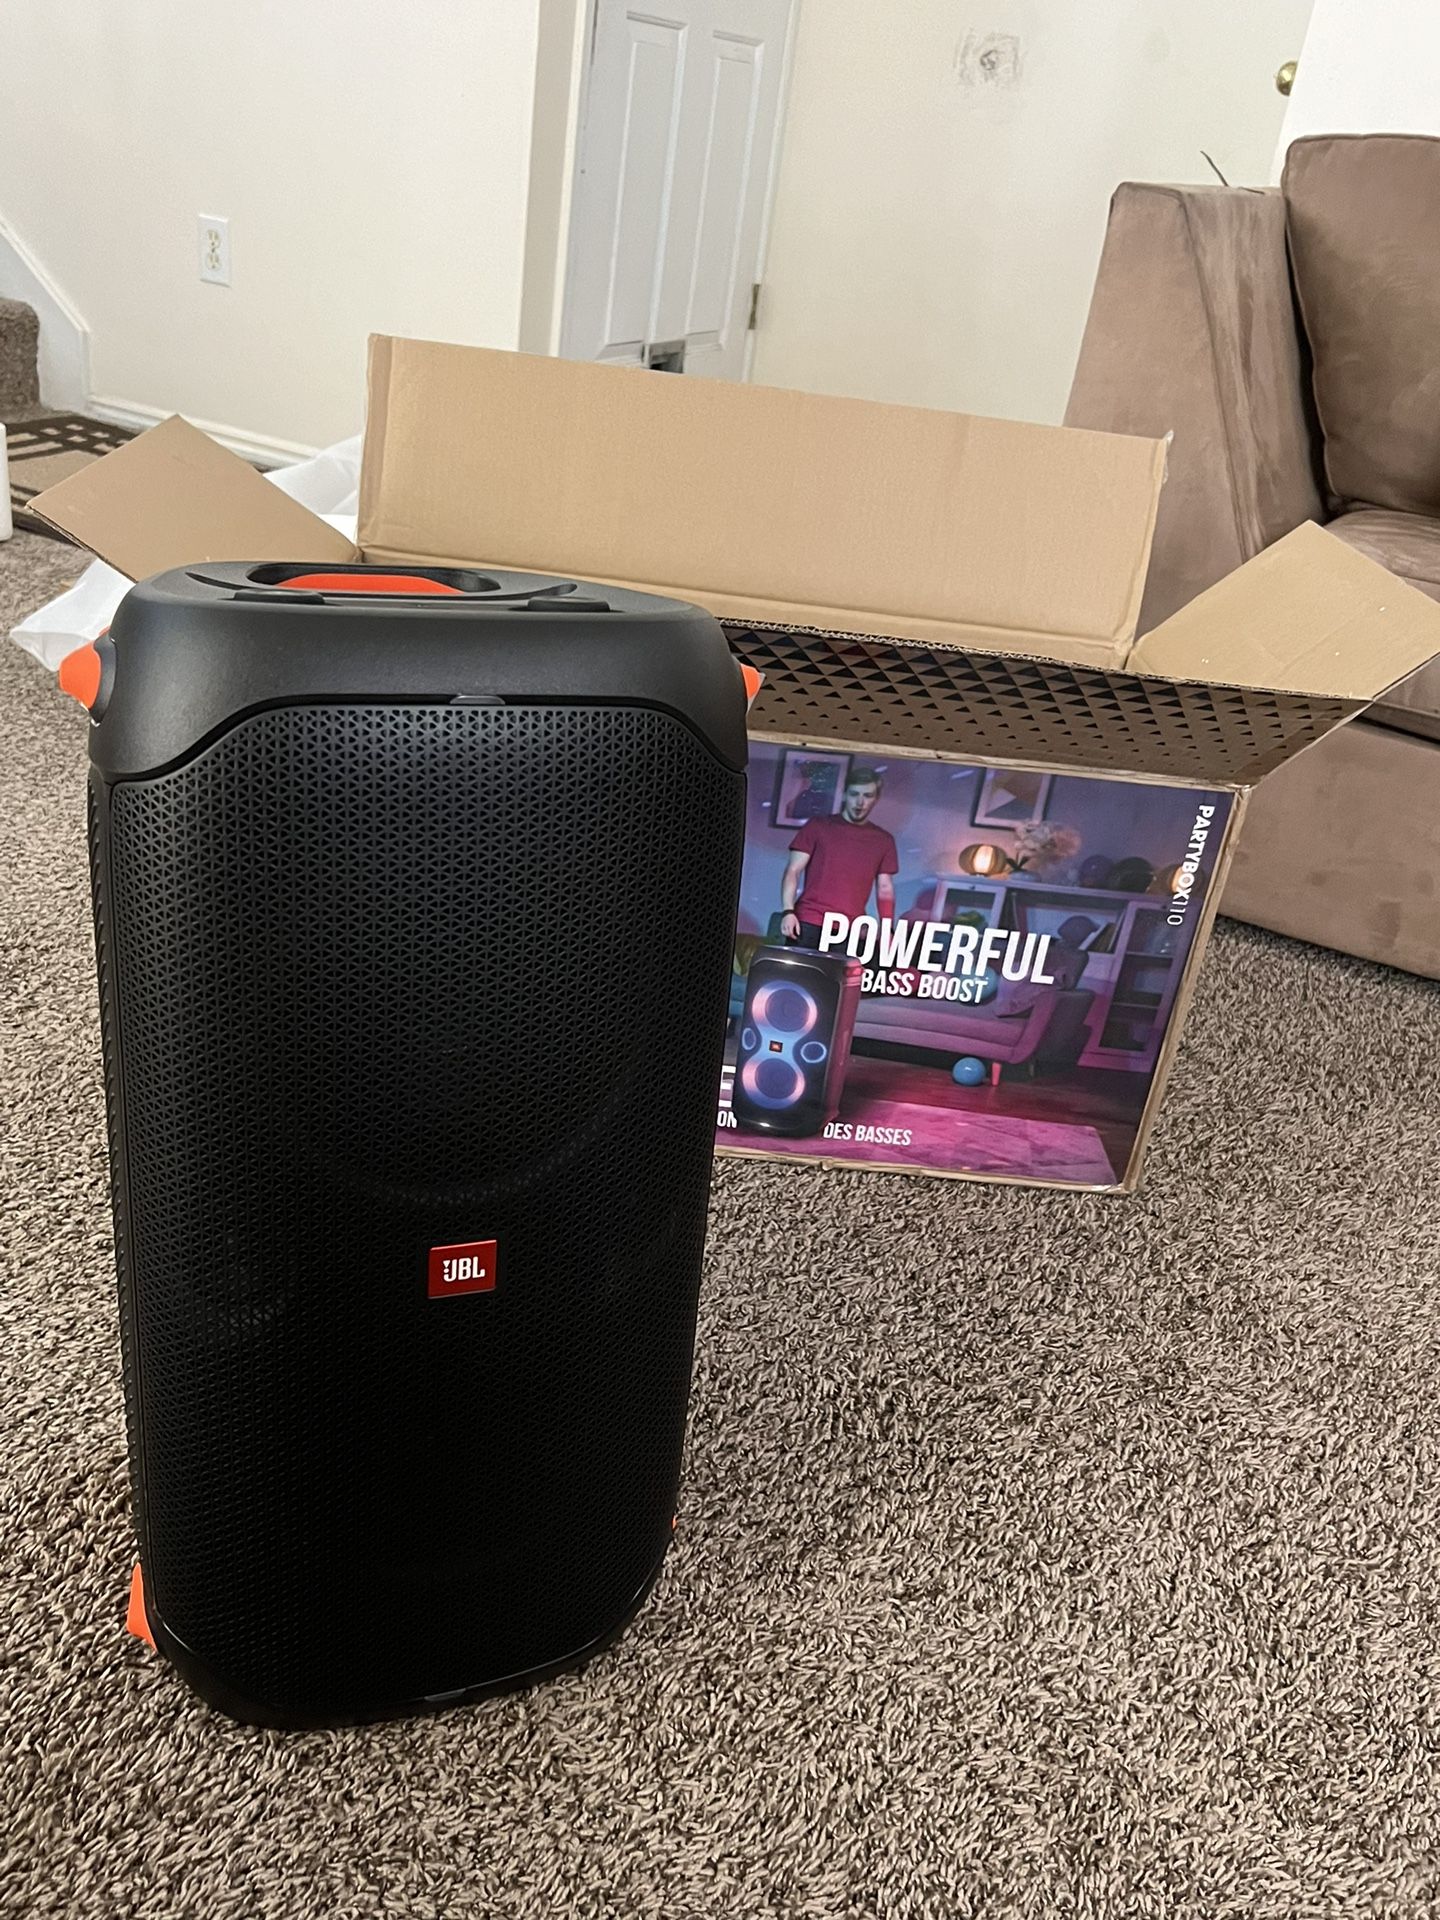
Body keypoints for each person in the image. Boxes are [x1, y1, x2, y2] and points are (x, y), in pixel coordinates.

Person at [779, 766, 899, 948]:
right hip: (809, 921)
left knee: (842, 968)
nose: (860, 802)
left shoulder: (883, 840)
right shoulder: (818, 826)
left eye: (867, 796)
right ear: (844, 794)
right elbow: (793, 871)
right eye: (854, 794)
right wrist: (788, 911)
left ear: (876, 799)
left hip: (850, 928)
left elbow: (885, 888)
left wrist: (887, 928)